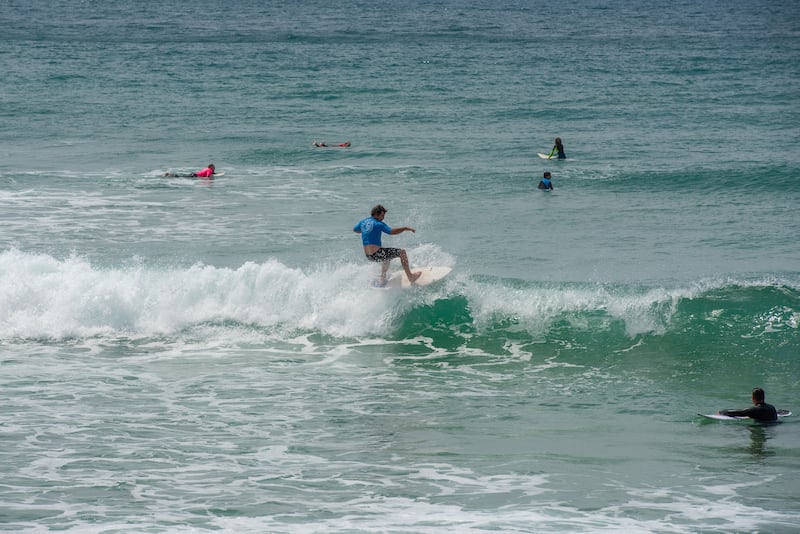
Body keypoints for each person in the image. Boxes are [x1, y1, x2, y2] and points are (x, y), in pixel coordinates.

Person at [353, 204, 421, 286]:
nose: (383, 218)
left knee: (386, 257)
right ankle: (411, 277)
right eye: (382, 215)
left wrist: (366, 231)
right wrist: (404, 228)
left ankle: (382, 279)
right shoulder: (378, 224)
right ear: (376, 214)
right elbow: (392, 231)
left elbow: (355, 229)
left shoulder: (363, 222)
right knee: (402, 252)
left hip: (369, 256)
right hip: (377, 254)